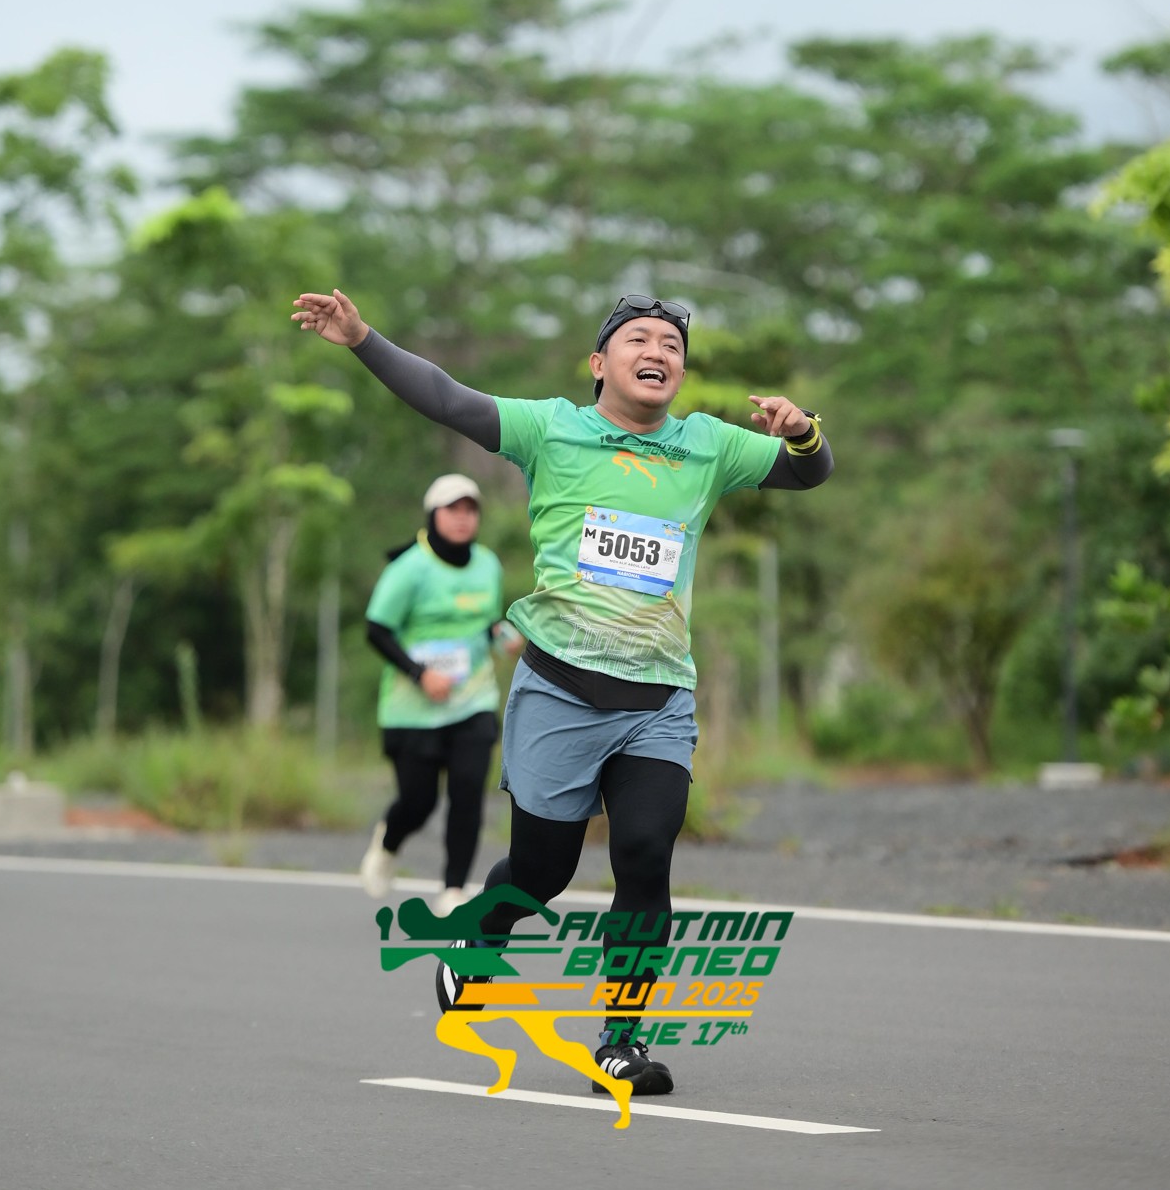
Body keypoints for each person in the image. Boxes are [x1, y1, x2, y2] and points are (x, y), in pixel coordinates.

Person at [292, 286, 833, 1098]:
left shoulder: (708, 445)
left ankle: (621, 1041)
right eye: (639, 339)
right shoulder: (551, 429)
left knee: (645, 856)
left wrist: (802, 432)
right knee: (542, 872)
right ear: (598, 363)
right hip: (559, 694)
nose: (658, 353)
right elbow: (446, 397)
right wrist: (364, 337)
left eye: (672, 347)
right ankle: (479, 936)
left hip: (658, 699)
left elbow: (810, 473)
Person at [358, 472, 521, 916]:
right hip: (413, 709)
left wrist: (503, 636)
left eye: (471, 510)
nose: (463, 518)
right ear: (433, 515)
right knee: (419, 801)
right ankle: (388, 842)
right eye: (453, 509)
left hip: (473, 700)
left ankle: (453, 890)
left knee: (468, 793)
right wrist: (419, 674)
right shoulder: (409, 568)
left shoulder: (487, 564)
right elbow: (376, 629)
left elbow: (486, 623)